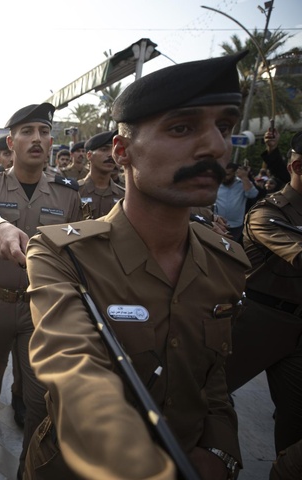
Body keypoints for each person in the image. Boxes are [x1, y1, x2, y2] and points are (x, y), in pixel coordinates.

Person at [24, 53, 250, 480]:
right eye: (182, 127)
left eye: (224, 127)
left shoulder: (227, 261)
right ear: (123, 151)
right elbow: (74, 373)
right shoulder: (64, 255)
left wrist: (220, 452)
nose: (216, 147)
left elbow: (213, 379)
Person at [0, 102, 82, 475]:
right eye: (27, 132)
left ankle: (28, 462)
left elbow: (77, 250)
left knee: (38, 393)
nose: (37, 139)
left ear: (51, 142)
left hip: (41, 309)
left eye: (44, 132)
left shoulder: (67, 193)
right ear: (11, 142)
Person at [225, 131, 302, 477]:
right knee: (203, 400)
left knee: (295, 423)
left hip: (298, 329)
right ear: (298, 166)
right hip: (256, 321)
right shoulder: (268, 213)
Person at [77, 130, 125, 219]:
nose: (111, 155)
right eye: (104, 149)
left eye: (114, 150)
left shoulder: (123, 195)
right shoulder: (75, 192)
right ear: (89, 155)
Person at [215, 161, 258, 242]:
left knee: (231, 249)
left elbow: (252, 194)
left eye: (228, 174)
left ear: (235, 173)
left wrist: (244, 177)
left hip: (235, 226)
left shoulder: (242, 183)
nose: (224, 176)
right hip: (217, 223)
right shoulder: (216, 182)